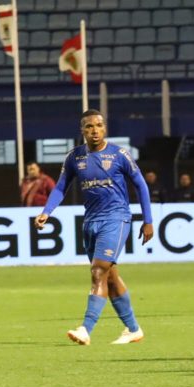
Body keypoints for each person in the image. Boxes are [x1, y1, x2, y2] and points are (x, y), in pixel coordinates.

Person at [34, 109, 154, 345]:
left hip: (116, 218)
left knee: (98, 271)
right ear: (82, 130)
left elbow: (140, 184)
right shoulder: (74, 157)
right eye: (89, 127)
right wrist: (46, 212)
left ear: (105, 128)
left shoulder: (119, 154)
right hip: (90, 221)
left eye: (99, 125)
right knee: (109, 277)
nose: (94, 130)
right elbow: (60, 187)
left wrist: (148, 220)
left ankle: (86, 329)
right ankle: (133, 329)